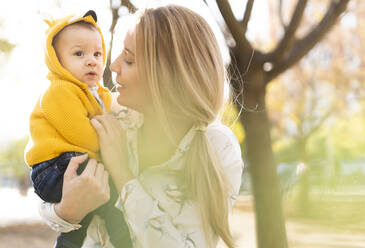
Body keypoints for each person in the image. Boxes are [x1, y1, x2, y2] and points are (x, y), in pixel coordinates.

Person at [39, 5, 244, 248]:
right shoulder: (112, 117)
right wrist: (66, 211)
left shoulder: (217, 147)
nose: (112, 66)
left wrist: (123, 173)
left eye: (129, 59)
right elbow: (54, 175)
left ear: (167, 75)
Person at [24, 10, 131, 248]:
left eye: (97, 53)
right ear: (57, 60)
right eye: (79, 53)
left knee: (83, 219)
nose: (92, 60)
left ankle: (68, 243)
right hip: (54, 167)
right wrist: (108, 145)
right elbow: (78, 132)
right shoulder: (59, 90)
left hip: (69, 162)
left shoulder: (96, 93)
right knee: (110, 198)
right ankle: (125, 241)